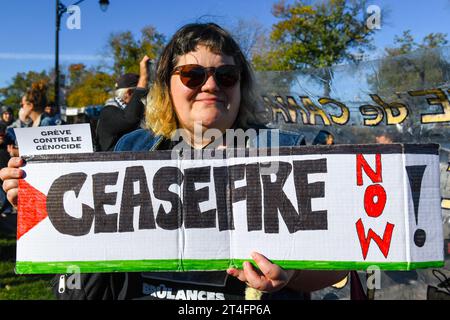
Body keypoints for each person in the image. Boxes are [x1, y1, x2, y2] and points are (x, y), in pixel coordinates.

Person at [0, 23, 347, 300]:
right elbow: (81, 241)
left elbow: (338, 266)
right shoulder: (131, 148)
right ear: (167, 85)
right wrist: (36, 201)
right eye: (193, 75)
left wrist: (292, 277)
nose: (211, 85)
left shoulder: (288, 153)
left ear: (241, 86)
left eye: (226, 76)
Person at [95, 56, 151, 151]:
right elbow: (129, 119)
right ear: (129, 93)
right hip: (111, 164)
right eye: (143, 94)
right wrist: (143, 80)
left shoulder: (134, 112)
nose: (145, 97)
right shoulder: (108, 111)